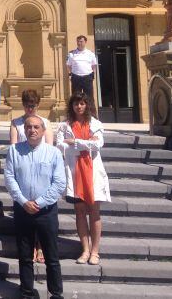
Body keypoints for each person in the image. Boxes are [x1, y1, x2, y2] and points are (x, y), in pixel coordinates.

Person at [4, 114, 66, 299]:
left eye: (36, 127)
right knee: (24, 256)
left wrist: (38, 203)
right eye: (29, 127)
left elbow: (59, 183)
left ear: (43, 130)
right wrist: (24, 202)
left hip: (46, 211)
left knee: (52, 257)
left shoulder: (53, 153)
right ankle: (27, 292)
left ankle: (56, 293)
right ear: (24, 130)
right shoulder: (14, 151)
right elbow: (9, 178)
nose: (32, 130)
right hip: (23, 210)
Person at [56, 92, 111, 266]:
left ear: (87, 105)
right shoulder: (65, 125)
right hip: (75, 172)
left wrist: (75, 142)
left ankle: (95, 251)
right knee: (79, 212)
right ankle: (85, 249)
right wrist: (85, 142)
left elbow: (98, 145)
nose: (78, 107)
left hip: (92, 172)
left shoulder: (95, 123)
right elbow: (60, 145)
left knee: (94, 212)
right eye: (75, 104)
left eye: (81, 104)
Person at [9, 88, 53, 264]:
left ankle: (40, 246)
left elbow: (50, 147)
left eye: (33, 106)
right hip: (23, 169)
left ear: (38, 105)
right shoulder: (16, 122)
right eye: (27, 106)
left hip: (41, 169)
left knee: (41, 212)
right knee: (25, 214)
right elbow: (13, 145)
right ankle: (29, 248)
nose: (30, 109)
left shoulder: (45, 122)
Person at [66, 35, 98, 108]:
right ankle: (74, 115)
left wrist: (93, 74)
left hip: (87, 77)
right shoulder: (71, 54)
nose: (79, 43)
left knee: (89, 98)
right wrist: (70, 74)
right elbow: (68, 65)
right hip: (76, 77)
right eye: (78, 41)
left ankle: (92, 116)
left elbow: (94, 65)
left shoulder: (90, 53)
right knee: (75, 97)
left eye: (81, 41)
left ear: (85, 42)